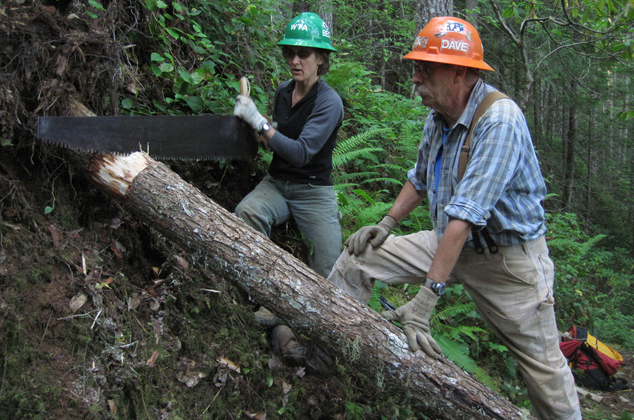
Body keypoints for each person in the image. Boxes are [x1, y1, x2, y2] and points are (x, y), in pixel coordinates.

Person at [327, 16, 582, 420]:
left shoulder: (499, 121)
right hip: (448, 242)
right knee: (359, 256)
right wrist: (387, 223)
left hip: (508, 263)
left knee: (545, 374)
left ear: (460, 71)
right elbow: (420, 178)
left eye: (425, 68)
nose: (415, 78)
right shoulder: (439, 116)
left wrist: (426, 298)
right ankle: (328, 348)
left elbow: (465, 215)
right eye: (416, 68)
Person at [233, 12, 342, 373]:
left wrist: (259, 122)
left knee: (330, 269)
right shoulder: (283, 92)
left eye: (305, 53)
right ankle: (264, 299)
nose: (296, 60)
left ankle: (305, 333)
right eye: (290, 53)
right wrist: (259, 133)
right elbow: (277, 144)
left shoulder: (329, 102)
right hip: (278, 183)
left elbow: (301, 151)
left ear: (321, 59)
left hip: (314, 191)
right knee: (246, 214)